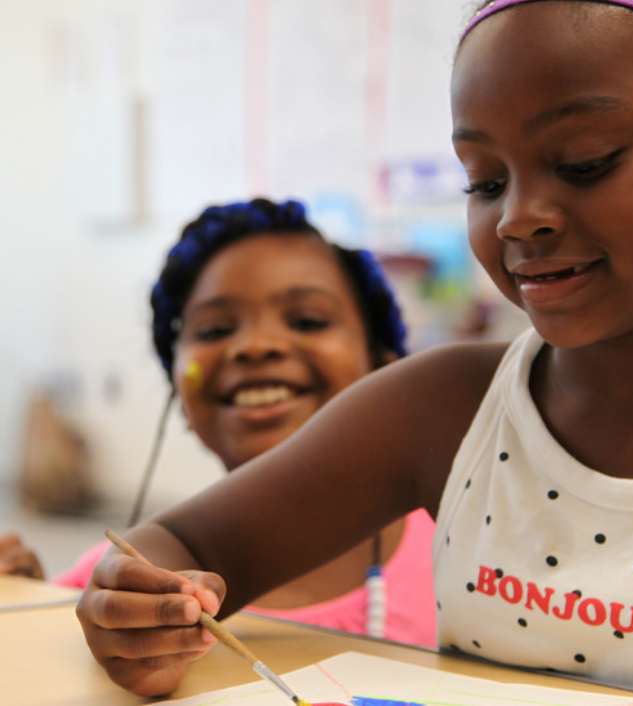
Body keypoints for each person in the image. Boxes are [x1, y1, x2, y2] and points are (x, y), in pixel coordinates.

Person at [75, 2, 633, 704]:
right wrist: (137, 608)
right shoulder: (435, 412)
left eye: (585, 162)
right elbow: (184, 541)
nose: (518, 216)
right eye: (484, 180)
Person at [31, 198, 438, 647]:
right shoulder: (118, 592)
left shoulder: (471, 554)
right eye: (214, 330)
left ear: (384, 371)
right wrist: (20, 602)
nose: (256, 345)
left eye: (306, 320)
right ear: (178, 393)